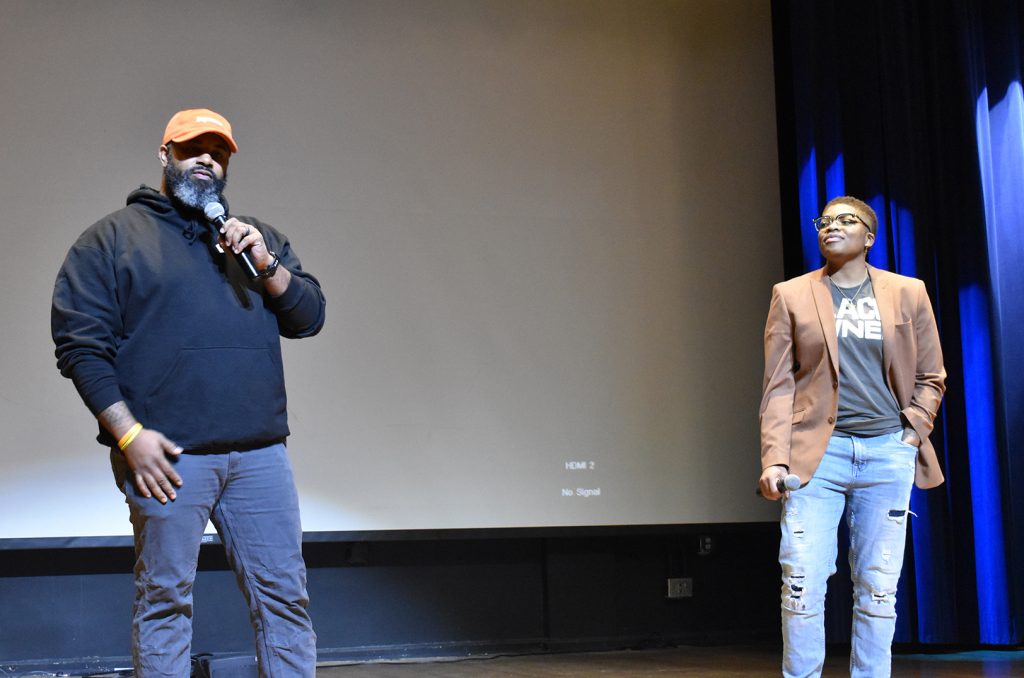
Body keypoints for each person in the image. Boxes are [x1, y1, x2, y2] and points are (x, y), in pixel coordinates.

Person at [51, 108, 324, 677]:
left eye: (217, 151)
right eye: (191, 147)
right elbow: (80, 348)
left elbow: (307, 316)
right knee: (165, 604)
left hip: (260, 457)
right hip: (168, 459)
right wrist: (128, 435)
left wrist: (266, 263)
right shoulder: (110, 240)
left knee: (285, 603)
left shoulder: (256, 240)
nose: (205, 158)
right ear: (164, 156)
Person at [758, 196, 945, 678]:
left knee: (879, 586)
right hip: (817, 457)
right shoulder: (792, 294)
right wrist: (774, 459)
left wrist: (911, 433)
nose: (832, 227)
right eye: (825, 220)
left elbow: (931, 375)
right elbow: (779, 384)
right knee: (801, 582)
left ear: (870, 236)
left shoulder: (908, 292)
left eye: (847, 220)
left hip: (887, 452)